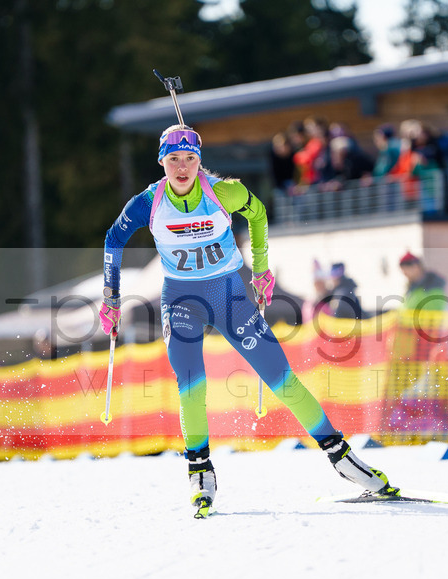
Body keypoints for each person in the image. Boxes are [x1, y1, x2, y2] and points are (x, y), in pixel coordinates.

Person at [100, 123, 395, 515]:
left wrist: (261, 271)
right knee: (191, 383)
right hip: (182, 301)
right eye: (174, 159)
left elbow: (257, 215)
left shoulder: (224, 192)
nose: (183, 167)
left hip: (229, 295)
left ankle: (342, 458)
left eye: (190, 158)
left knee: (283, 379)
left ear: (199, 161)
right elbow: (113, 239)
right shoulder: (149, 202)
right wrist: (111, 296)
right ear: (161, 162)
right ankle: (200, 471)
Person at [382, 252, 448, 443]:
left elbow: (430, 316)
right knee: (409, 392)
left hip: (425, 350)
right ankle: (410, 430)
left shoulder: (432, 288)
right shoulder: (413, 288)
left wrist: (406, 323)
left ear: (416, 266)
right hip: (409, 351)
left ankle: (432, 430)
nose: (405, 275)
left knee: (424, 391)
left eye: (407, 270)